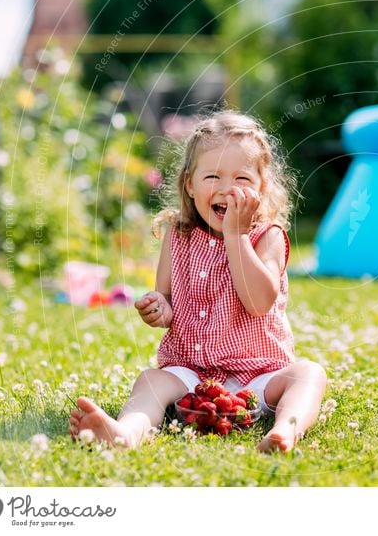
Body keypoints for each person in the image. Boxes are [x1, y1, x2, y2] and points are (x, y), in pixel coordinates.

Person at [69, 110, 327, 452]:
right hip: (191, 375)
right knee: (150, 380)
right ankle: (126, 433)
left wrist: (236, 235)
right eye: (213, 177)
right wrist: (158, 308)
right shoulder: (178, 234)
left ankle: (285, 431)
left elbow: (259, 302)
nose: (226, 189)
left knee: (309, 374)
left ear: (262, 186)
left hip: (260, 376)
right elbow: (167, 299)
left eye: (242, 179)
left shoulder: (268, 236)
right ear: (189, 184)